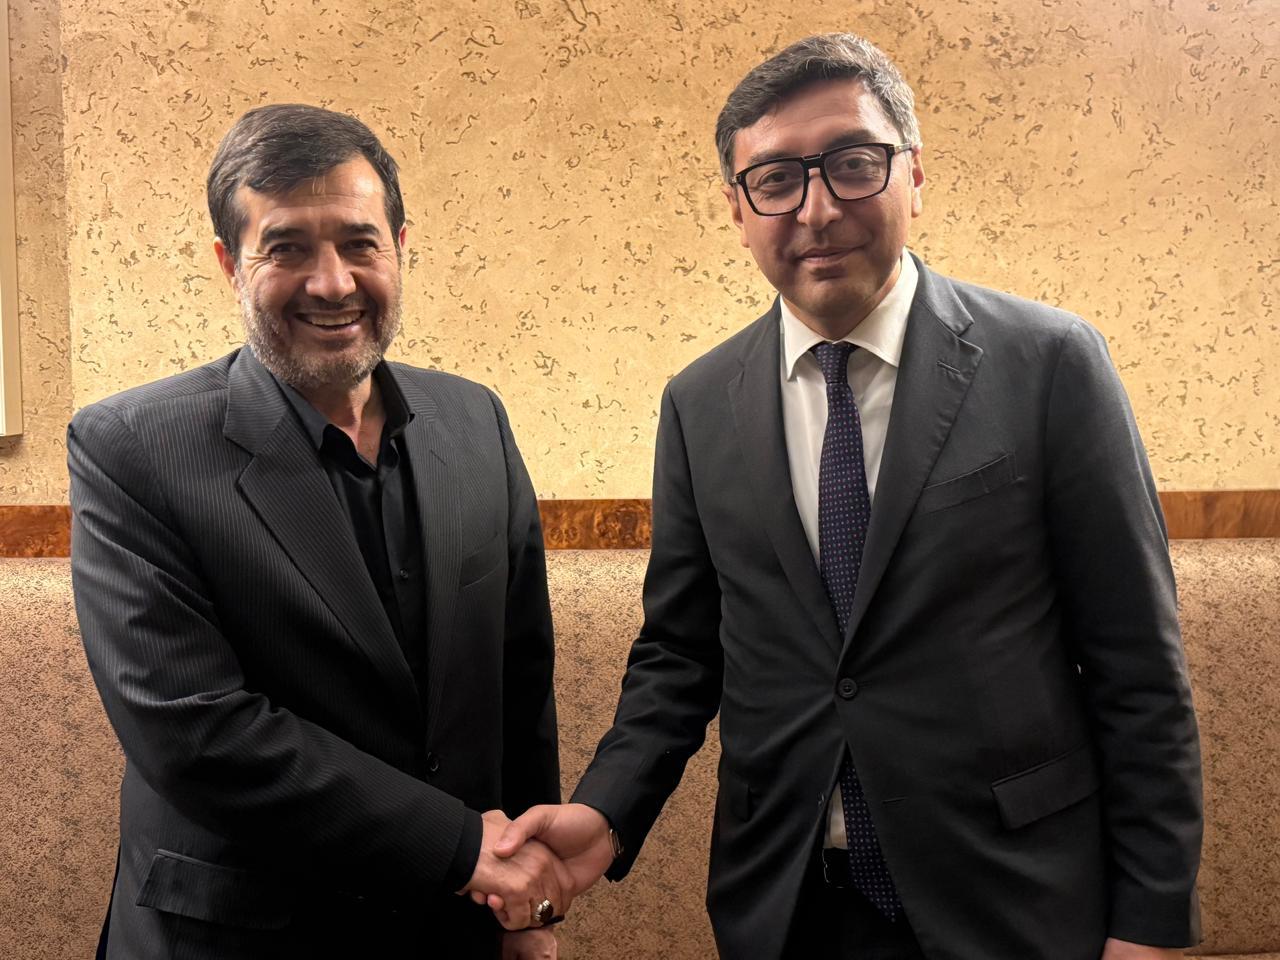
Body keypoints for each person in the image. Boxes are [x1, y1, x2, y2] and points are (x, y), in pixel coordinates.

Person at [493, 33, 1203, 960]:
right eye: (776, 180)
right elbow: (680, 654)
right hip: (790, 906)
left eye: (854, 164)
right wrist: (606, 812)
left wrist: (1149, 924)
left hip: (1013, 897)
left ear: (915, 174)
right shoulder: (699, 403)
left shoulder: (1051, 363)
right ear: (738, 209)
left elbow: (1136, 664)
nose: (818, 209)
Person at [69, 104, 566, 960]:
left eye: (359, 243)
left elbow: (519, 685)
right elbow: (195, 732)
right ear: (230, 263)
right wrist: (461, 849)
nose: (332, 283)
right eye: (288, 247)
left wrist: (528, 900)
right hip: (239, 937)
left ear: (399, 247)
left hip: (455, 929)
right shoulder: (131, 447)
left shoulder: (476, 419)